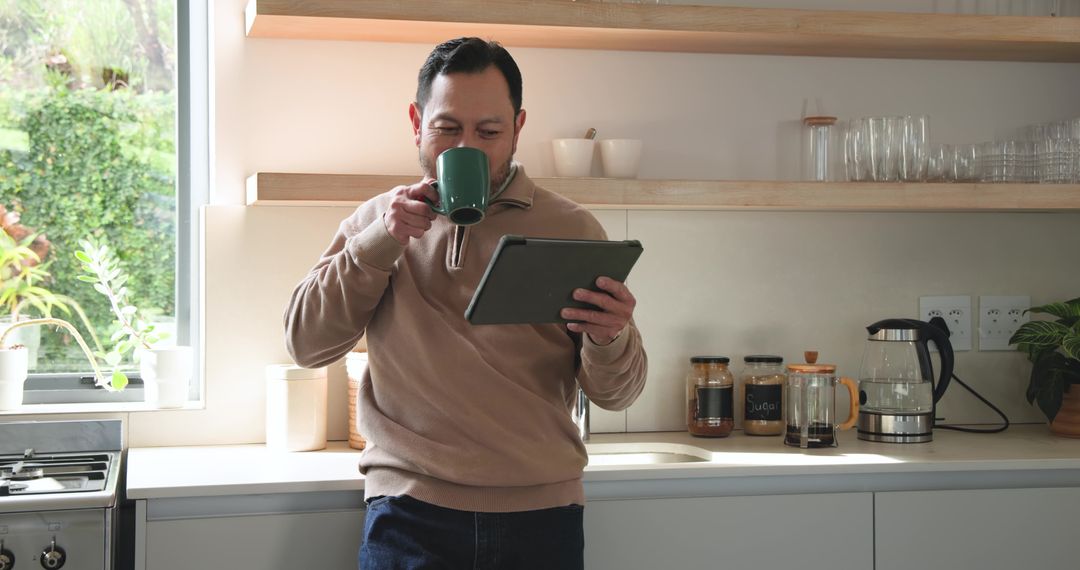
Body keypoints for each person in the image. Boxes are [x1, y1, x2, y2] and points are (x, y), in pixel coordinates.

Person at [284, 37, 648, 570]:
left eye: (490, 132)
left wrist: (611, 336)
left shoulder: (572, 229)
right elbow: (305, 344)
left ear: (518, 128)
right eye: (448, 129)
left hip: (542, 515)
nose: (468, 148)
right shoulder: (375, 221)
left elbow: (619, 394)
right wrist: (380, 243)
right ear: (416, 121)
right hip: (408, 513)